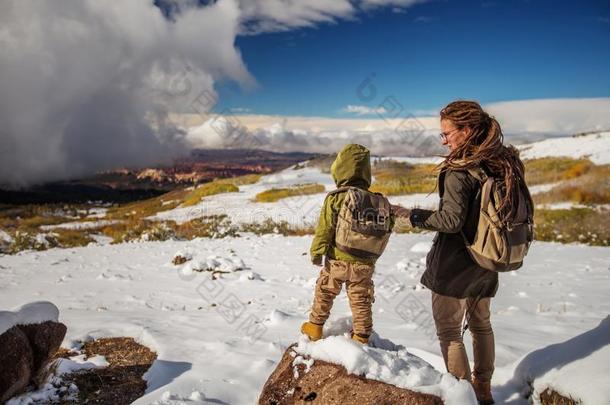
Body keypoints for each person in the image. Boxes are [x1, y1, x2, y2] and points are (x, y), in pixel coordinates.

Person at [407, 100, 528, 405]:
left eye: (447, 133)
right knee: (481, 324)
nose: (444, 140)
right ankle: (484, 389)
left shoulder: (460, 170)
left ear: (468, 129)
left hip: (454, 261)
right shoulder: (504, 162)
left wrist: (413, 216)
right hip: (489, 257)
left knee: (449, 331)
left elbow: (450, 221)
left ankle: (463, 396)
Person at [301, 143, 395, 345]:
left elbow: (324, 228)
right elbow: (387, 227)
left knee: (325, 291)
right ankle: (361, 336)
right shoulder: (376, 201)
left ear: (340, 169)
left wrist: (317, 252)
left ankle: (315, 327)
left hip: (337, 260)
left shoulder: (336, 197)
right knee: (361, 300)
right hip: (364, 263)